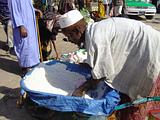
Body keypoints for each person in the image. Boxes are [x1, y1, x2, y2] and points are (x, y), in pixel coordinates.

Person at [59, 10, 160, 119]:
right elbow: (105, 57)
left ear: (77, 30)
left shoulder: (96, 36)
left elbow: (102, 72)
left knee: (135, 100)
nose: (69, 40)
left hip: (151, 53)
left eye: (69, 36)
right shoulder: (94, 30)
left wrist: (82, 89)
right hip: (145, 50)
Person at [8, 0, 41, 76]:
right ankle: (26, 69)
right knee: (25, 47)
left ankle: (32, 66)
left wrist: (34, 10)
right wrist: (21, 26)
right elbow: (14, 10)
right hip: (22, 26)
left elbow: (26, 6)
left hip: (29, 24)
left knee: (31, 47)